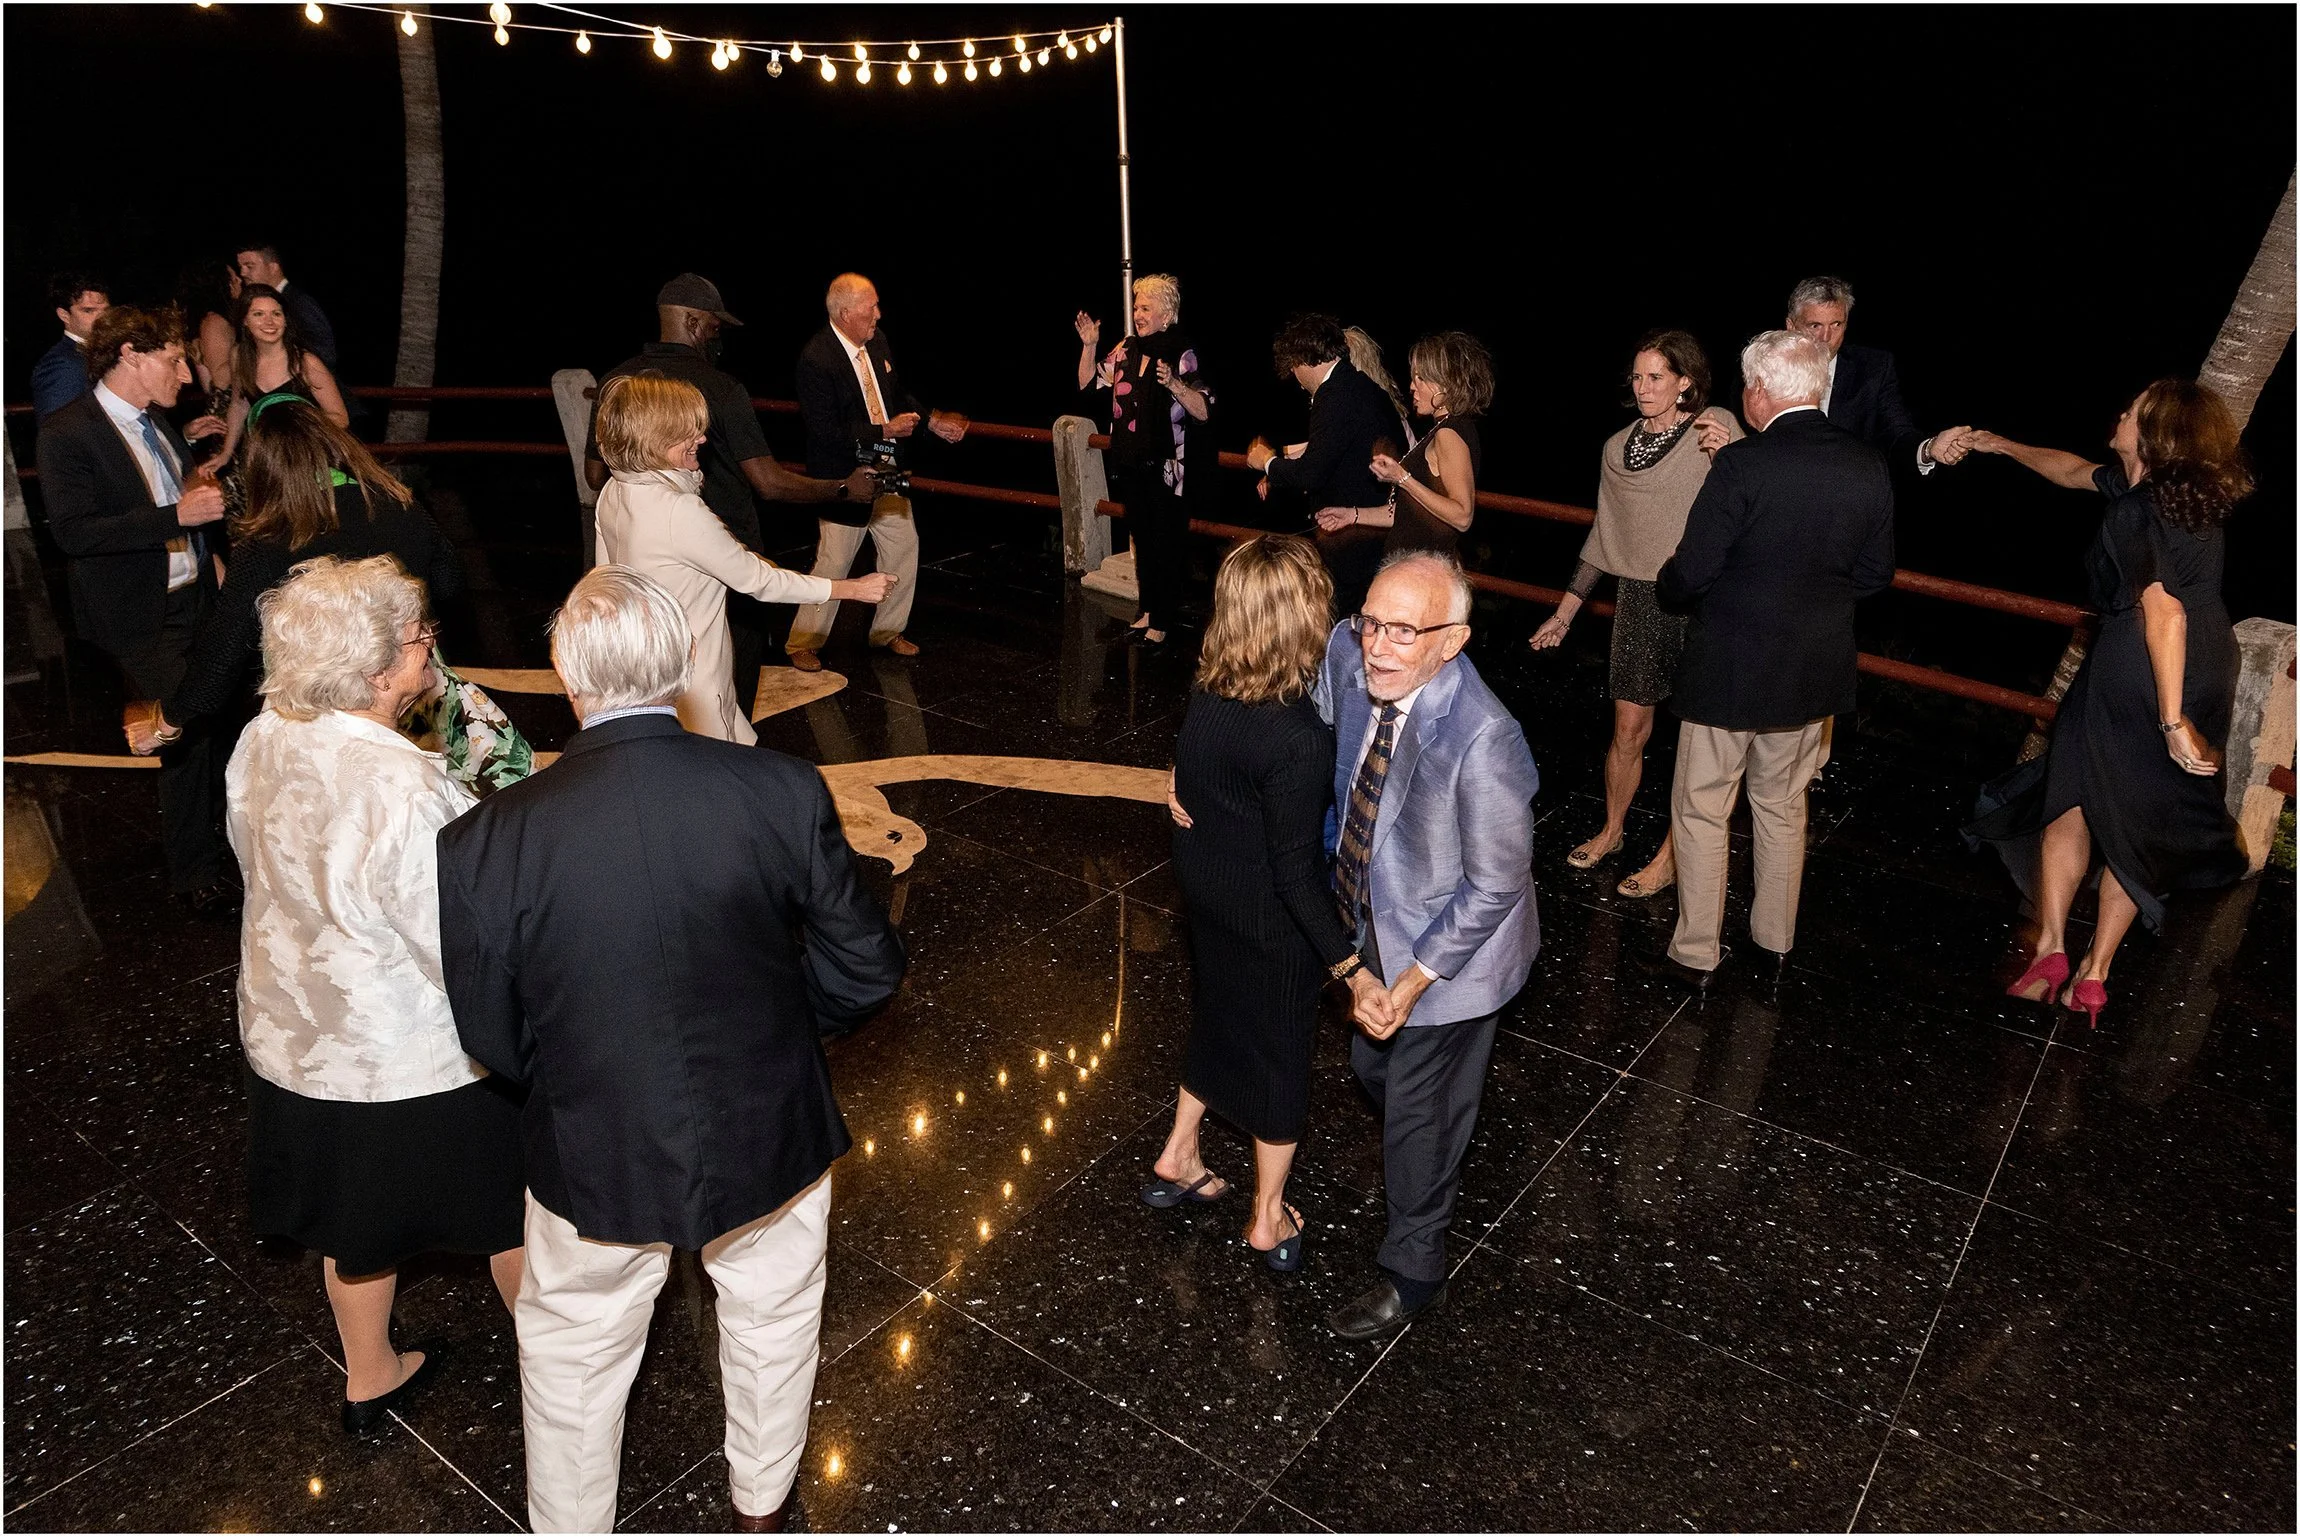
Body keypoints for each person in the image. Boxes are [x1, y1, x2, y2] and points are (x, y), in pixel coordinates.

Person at [438, 565, 906, 1534]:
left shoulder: (486, 839)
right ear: (685, 658)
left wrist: (584, 1067)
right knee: (774, 1311)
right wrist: (779, 1031)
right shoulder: (780, 788)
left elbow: (489, 1033)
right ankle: (762, 1504)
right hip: (768, 1117)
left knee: (575, 1352)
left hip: (593, 1140)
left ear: (566, 673)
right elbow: (866, 968)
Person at [225, 554, 525, 1435]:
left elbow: (253, 857)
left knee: (353, 1228)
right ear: (376, 669)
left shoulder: (261, 736)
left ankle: (370, 1376)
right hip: (411, 1061)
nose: (429, 646)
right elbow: (452, 943)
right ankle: (559, 1369)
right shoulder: (401, 784)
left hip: (297, 1037)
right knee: (512, 1213)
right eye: (417, 637)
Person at [1965, 381, 2251, 1026]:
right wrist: (2001, 445)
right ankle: (2094, 975)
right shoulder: (2184, 496)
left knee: (2071, 795)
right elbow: (2069, 470)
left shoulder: (2134, 512)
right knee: (2140, 814)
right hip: (2210, 661)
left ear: (2151, 435)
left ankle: (2050, 949)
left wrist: (2171, 721)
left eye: (2134, 410)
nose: (2121, 412)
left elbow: (2164, 613)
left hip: (2142, 663)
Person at [1149, 535, 1390, 1272]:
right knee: (1280, 1055)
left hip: (1206, 895)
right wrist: (1349, 967)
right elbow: (1294, 874)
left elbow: (1200, 786)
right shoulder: (1298, 737)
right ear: (1303, 620)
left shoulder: (1207, 695)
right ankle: (1267, 1216)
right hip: (1268, 920)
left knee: (1218, 1014)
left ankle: (1179, 1152)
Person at [1316, 551, 1540, 1339]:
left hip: (1457, 950)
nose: (1377, 646)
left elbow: (1495, 886)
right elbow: (1304, 718)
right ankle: (1446, 1129)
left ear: (1452, 640)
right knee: (1372, 1067)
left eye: (1404, 632)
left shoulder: (1485, 736)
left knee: (1414, 1103)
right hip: (1375, 914)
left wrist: (1410, 983)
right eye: (1371, 621)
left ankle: (1414, 1269)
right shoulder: (1349, 652)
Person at [1654, 331, 1896, 988]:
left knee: (1703, 807)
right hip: (1812, 669)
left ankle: (1696, 954)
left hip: (1730, 669)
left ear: (1760, 391)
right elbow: (1875, 574)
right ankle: (1774, 944)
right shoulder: (1867, 465)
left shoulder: (1742, 465)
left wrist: (1669, 581)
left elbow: (1691, 573)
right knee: (1783, 805)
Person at [584, 274, 874, 712]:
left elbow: (594, 475)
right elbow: (768, 484)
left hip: (645, 586)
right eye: (714, 327)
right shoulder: (720, 388)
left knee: (658, 688)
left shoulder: (616, 383)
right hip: (727, 556)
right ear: (693, 322)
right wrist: (844, 489)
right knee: (725, 692)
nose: (699, 441)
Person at [1528, 330, 1744, 898]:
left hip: (1706, 598)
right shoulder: (1615, 448)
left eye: (1656, 377)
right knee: (1628, 729)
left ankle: (1671, 855)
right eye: (1637, 377)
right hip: (1641, 600)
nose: (1643, 387)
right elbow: (1606, 536)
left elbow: (1751, 501)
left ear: (1685, 381)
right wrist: (1564, 614)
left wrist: (1730, 457)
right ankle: (1612, 830)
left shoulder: (1715, 427)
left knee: (1699, 740)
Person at [124, 395, 463, 753]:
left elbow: (223, 653)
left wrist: (167, 723)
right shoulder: (402, 506)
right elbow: (450, 585)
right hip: (409, 698)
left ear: (262, 468)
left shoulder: (269, 543)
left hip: (318, 714)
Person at [37, 305, 234, 912]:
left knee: (219, 717)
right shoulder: (68, 432)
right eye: (174, 360)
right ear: (130, 355)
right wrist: (177, 517)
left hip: (195, 597)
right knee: (185, 728)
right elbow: (74, 533)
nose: (186, 373)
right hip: (139, 614)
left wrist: (209, 555)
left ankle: (223, 839)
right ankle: (195, 876)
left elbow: (177, 497)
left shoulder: (157, 423)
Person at [593, 372, 892, 742]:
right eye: (688, 431)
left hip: (645, 671)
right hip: (695, 682)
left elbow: (606, 582)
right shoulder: (678, 510)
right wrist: (852, 589)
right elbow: (759, 581)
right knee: (719, 765)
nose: (702, 439)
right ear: (655, 437)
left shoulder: (614, 491)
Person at [788, 272, 968, 672]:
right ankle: (803, 641)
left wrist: (932, 421)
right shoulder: (816, 359)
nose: (879, 314)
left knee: (904, 545)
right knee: (834, 561)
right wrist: (884, 431)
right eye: (871, 307)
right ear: (845, 313)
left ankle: (888, 631)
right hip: (844, 475)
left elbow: (896, 395)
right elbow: (824, 431)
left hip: (887, 467)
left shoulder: (877, 341)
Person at [1074, 273, 1216, 648]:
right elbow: (1087, 385)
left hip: (1170, 467)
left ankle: (1163, 621)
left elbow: (1204, 410)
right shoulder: (1125, 349)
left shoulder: (1182, 352)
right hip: (1131, 463)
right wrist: (1090, 346)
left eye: (1146, 308)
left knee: (1167, 543)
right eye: (1136, 307)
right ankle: (1147, 612)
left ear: (1166, 314)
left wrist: (1174, 385)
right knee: (1143, 541)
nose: (1138, 314)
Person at [1246, 314, 1405, 613]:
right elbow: (1336, 451)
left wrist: (1267, 462)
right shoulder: (1362, 387)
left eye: (1293, 366)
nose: (1295, 377)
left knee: (1339, 620)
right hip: (1371, 530)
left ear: (1302, 359)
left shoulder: (1333, 394)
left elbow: (1311, 474)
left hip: (1352, 538)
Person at [1785, 275, 1972, 475]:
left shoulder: (1873, 369)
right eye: (1815, 326)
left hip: (1850, 487)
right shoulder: (1768, 368)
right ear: (1791, 327)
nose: (1826, 337)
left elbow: (1897, 433)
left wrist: (1928, 449)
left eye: (1836, 324)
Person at [1370, 330, 1495, 559]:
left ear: (1445, 384)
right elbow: (1409, 514)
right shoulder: (1445, 428)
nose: (1412, 386)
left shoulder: (1449, 433)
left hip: (1421, 570)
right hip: (1412, 566)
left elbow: (1462, 516)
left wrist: (1402, 478)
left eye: (1421, 378)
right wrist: (1351, 515)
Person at [215, 284, 349, 460]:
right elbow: (239, 405)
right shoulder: (239, 356)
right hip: (267, 458)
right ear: (245, 321)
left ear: (285, 320)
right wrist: (225, 453)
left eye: (276, 314)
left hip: (309, 456)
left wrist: (299, 432)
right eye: (258, 314)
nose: (269, 322)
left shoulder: (306, 363)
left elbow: (341, 418)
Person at [235, 241, 339, 373]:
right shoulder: (281, 300)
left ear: (273, 267)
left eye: (249, 266)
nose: (243, 273)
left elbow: (326, 353)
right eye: (241, 267)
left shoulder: (298, 301)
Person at [32, 271, 110, 419]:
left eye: (106, 310)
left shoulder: (103, 351)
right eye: (89, 311)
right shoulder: (63, 364)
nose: (103, 318)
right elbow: (57, 428)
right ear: (64, 315)